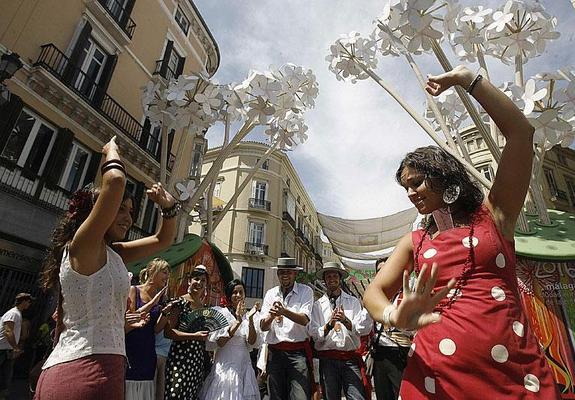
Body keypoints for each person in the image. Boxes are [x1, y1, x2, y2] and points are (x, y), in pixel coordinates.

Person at [363, 65, 560, 399]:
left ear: (443, 176)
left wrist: (468, 80)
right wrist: (395, 316)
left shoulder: (494, 215)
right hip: (434, 377)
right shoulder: (415, 241)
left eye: (417, 182)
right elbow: (373, 293)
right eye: (405, 187)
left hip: (512, 372)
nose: (410, 193)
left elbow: (520, 133)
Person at [35, 136, 178, 400]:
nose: (128, 218)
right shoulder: (82, 245)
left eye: (131, 211)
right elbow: (114, 181)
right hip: (79, 372)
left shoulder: (114, 254)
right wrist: (110, 150)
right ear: (97, 211)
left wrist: (169, 206)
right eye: (120, 209)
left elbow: (163, 239)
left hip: (109, 371)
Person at [309, 262, 372, 400]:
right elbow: (314, 334)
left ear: (340, 278)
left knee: (357, 397)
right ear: (324, 281)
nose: (332, 279)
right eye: (329, 276)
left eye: (335, 276)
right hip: (328, 360)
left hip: (349, 358)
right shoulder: (317, 306)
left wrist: (345, 320)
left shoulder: (353, 302)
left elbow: (362, 329)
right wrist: (329, 325)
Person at [260, 257, 314, 400]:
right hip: (275, 353)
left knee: (300, 396)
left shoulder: (305, 291)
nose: (285, 275)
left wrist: (284, 312)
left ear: (295, 274)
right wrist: (271, 316)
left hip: (297, 353)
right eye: (281, 272)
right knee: (276, 396)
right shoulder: (271, 293)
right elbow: (263, 326)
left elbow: (304, 320)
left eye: (288, 272)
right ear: (277, 274)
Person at [199, 279, 261, 400]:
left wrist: (251, 320)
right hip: (225, 363)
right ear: (228, 295)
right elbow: (221, 342)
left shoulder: (250, 315)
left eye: (241, 292)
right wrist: (237, 321)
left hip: (243, 363)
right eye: (234, 292)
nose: (238, 295)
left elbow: (252, 342)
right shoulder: (220, 313)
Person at [125, 258, 172, 400]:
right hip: (131, 349)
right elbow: (132, 317)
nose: (167, 277)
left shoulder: (161, 298)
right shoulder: (134, 290)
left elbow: (156, 329)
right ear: (153, 272)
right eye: (164, 272)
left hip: (148, 353)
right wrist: (152, 302)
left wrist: (166, 312)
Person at [163, 265, 210, 400]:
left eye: (203, 280)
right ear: (189, 281)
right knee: (175, 394)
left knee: (192, 394)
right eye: (196, 279)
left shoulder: (203, 307)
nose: (199, 283)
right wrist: (194, 336)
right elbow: (168, 332)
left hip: (197, 360)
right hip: (180, 357)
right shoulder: (180, 302)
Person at [370, 259, 412, 400]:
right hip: (380, 353)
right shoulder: (375, 298)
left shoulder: (406, 295)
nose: (382, 274)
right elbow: (363, 327)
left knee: (400, 394)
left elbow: (413, 327)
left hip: (399, 352)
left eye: (385, 270)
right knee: (382, 395)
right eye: (379, 271)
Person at [0, 292, 34, 400]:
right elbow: (8, 331)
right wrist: (16, 347)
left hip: (7, 349)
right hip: (2, 349)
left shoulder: (17, 314)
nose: (29, 304)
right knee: (5, 375)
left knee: (5, 376)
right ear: (23, 301)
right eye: (29, 302)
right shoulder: (13, 313)